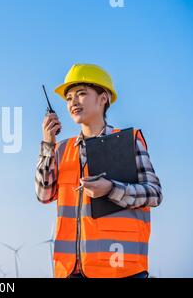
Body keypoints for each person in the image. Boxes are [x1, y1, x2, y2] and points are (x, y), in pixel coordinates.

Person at [35, 63, 163, 278]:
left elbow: (154, 193)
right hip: (70, 270)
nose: (73, 101)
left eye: (82, 94)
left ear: (103, 98)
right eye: (69, 98)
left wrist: (111, 189)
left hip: (121, 268)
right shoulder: (61, 149)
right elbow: (44, 194)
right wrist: (48, 144)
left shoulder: (127, 141)